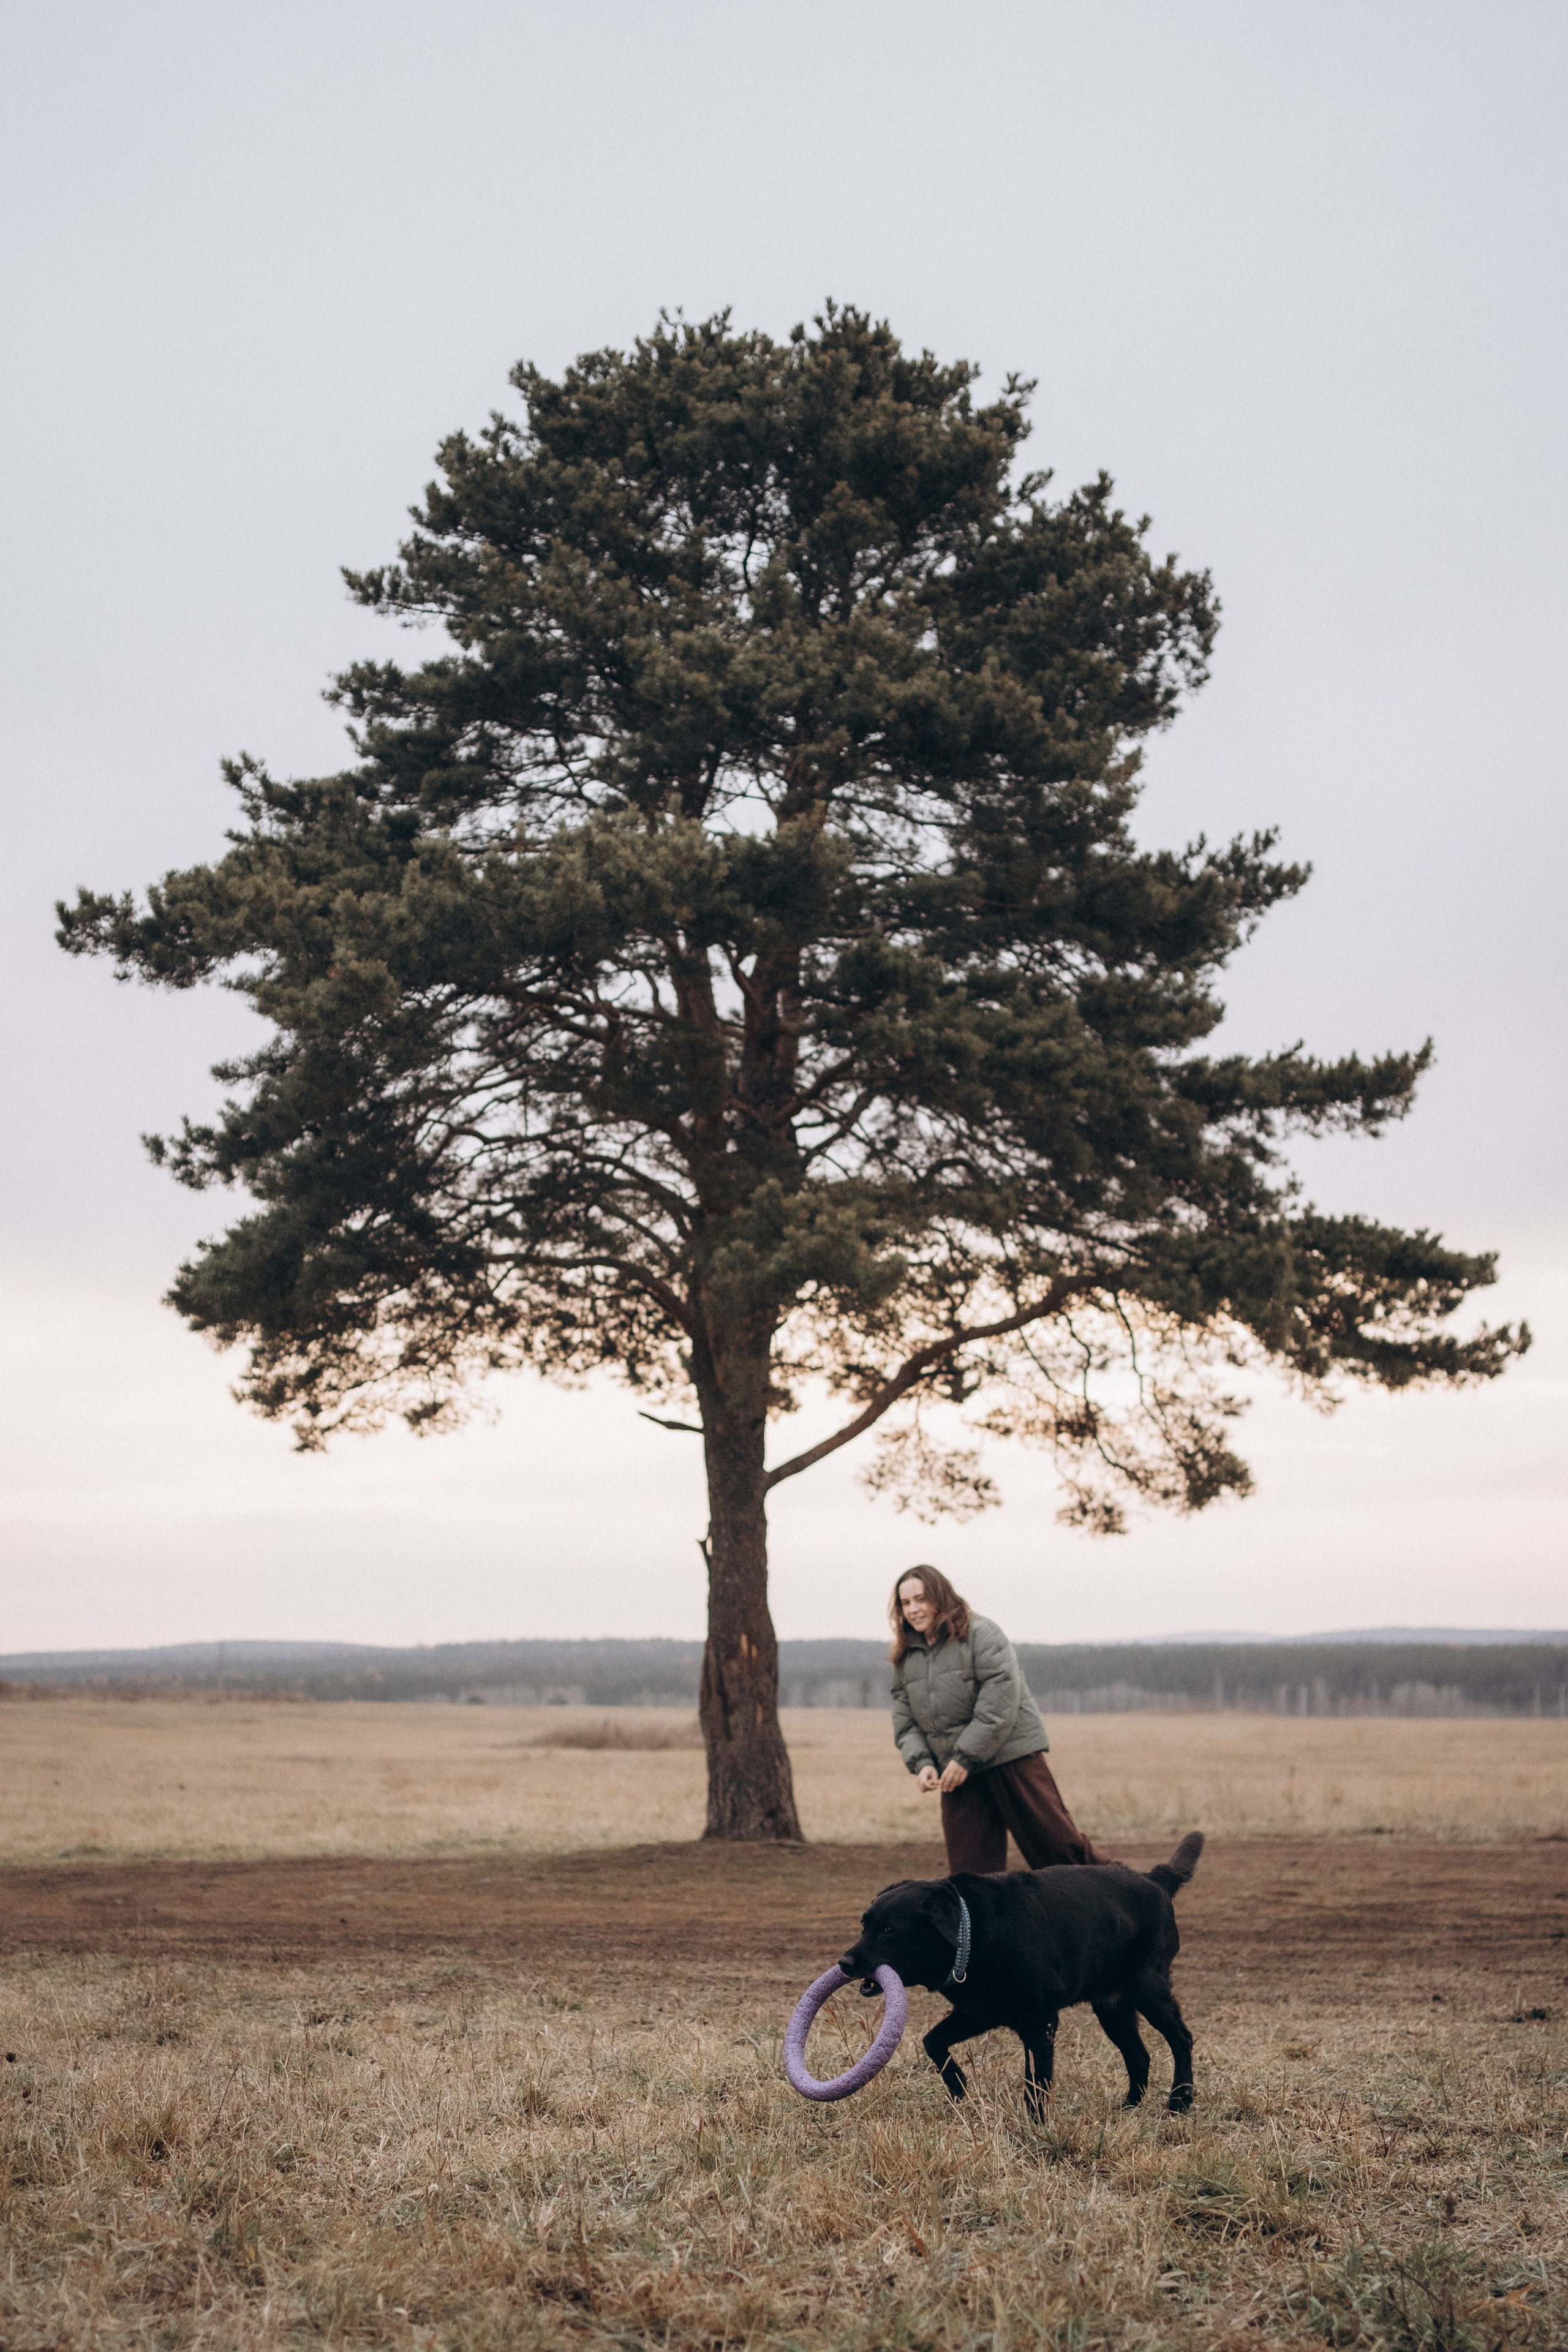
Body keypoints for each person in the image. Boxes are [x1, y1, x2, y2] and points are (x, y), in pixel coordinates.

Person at [889, 1564, 1102, 1874]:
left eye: (921, 1599)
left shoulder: (980, 1633)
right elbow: (905, 1720)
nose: (913, 1609)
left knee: (1062, 1855)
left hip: (1010, 1759)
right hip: (957, 1774)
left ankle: (1133, 1894)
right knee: (971, 1877)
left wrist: (964, 1757)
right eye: (906, 1603)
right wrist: (922, 1763)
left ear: (940, 1597)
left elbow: (999, 1702)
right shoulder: (906, 1654)